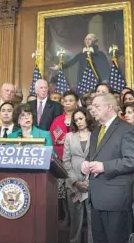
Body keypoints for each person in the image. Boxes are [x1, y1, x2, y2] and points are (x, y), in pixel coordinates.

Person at [80, 93, 134, 243]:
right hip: (96, 198)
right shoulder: (96, 131)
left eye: (96, 106)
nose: (92, 110)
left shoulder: (126, 129)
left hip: (116, 199)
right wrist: (85, 163)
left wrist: (104, 166)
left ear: (109, 107)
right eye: (91, 106)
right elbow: (93, 156)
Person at [62, 107, 95, 243]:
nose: (79, 122)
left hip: (92, 182)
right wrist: (75, 182)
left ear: (87, 118)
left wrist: (88, 182)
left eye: (81, 118)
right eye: (76, 120)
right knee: (76, 221)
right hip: (73, 183)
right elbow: (66, 161)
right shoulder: (70, 136)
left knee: (93, 220)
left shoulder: (96, 135)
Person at [50, 91, 79, 227]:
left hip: (77, 159)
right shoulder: (58, 120)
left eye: (70, 100)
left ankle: (77, 219)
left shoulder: (80, 117)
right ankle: (67, 216)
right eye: (65, 100)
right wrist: (59, 140)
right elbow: (53, 136)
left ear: (76, 102)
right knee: (61, 190)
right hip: (61, 159)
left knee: (74, 189)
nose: (67, 103)